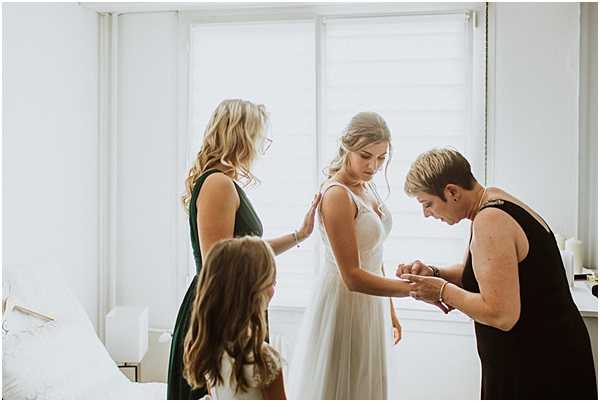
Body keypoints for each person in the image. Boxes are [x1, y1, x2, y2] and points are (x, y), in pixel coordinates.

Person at [397, 148, 597, 400]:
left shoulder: (490, 220)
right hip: (543, 355)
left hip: (538, 366)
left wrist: (440, 290)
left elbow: (501, 314)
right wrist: (435, 273)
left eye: (428, 204)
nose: (426, 214)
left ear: (451, 191)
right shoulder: (492, 202)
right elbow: (484, 274)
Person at [168, 99, 321, 399]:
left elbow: (245, 252)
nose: (262, 146)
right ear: (243, 135)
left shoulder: (224, 183)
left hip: (230, 308)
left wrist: (299, 235)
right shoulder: (218, 185)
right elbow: (222, 263)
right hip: (222, 313)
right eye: (261, 136)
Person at [288, 112, 432, 399]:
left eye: (381, 158)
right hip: (345, 304)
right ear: (346, 147)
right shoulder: (337, 195)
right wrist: (414, 289)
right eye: (366, 156)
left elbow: (375, 257)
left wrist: (390, 310)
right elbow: (352, 276)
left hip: (373, 303)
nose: (374, 166)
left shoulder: (367, 186)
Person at [183, 236, 285, 399]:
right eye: (271, 281)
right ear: (254, 291)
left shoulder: (211, 349)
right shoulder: (264, 359)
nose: (274, 288)